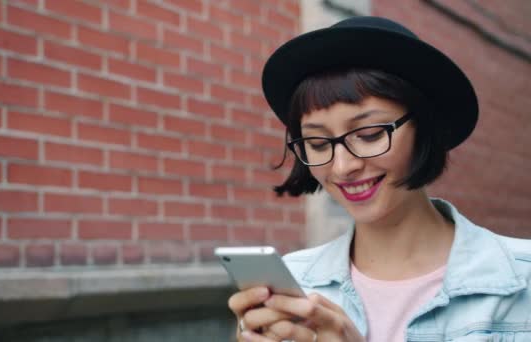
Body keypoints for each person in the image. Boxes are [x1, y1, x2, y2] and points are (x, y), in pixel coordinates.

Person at [227, 16, 531, 342]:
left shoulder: (521, 279)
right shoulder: (294, 284)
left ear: (424, 129)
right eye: (317, 143)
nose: (342, 167)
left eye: (370, 135)